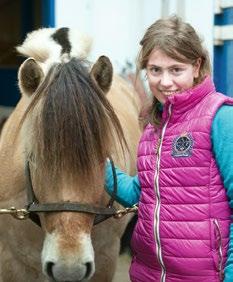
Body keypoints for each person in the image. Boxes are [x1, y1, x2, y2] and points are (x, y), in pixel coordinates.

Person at [105, 15, 233, 282]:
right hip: (149, 274)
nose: (164, 82)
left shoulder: (220, 118)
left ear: (196, 66)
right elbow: (140, 194)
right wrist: (95, 163)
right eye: (155, 70)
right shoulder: (153, 128)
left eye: (176, 69)